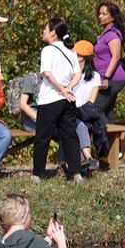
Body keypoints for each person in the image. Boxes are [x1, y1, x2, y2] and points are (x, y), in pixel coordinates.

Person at [33, 17, 84, 183]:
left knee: (42, 137)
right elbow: (78, 74)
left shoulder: (47, 50)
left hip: (50, 99)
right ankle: (77, 173)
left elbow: (47, 73)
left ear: (53, 32)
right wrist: (68, 87)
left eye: (45, 29)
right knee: (69, 135)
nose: (43, 31)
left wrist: (60, 88)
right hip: (68, 100)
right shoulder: (71, 51)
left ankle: (37, 174)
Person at [61, 40, 103, 172]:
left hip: (84, 114)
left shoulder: (95, 77)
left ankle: (79, 166)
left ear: (84, 57)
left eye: (77, 53)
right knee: (75, 125)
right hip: (68, 113)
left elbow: (91, 102)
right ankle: (88, 159)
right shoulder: (69, 74)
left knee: (78, 124)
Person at [93, 1, 125, 123]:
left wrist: (106, 77)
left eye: (104, 14)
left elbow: (116, 56)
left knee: (96, 108)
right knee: (107, 112)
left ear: (112, 17)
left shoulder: (112, 34)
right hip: (107, 78)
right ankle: (111, 141)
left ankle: (104, 141)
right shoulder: (105, 33)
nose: (100, 16)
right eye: (99, 13)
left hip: (113, 78)